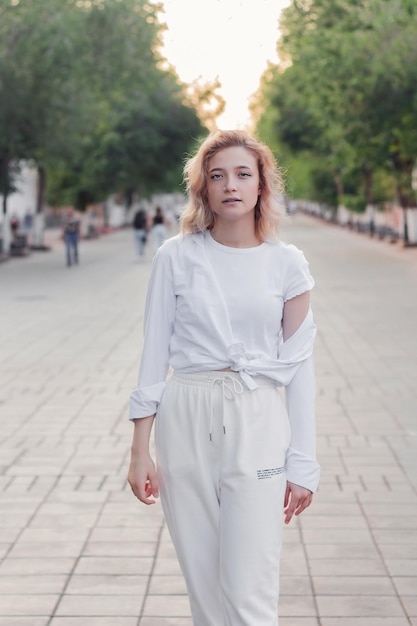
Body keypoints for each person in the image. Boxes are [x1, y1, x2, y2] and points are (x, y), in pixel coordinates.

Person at [128, 129, 320, 626]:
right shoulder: (175, 256)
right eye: (217, 176)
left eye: (242, 174)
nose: (230, 185)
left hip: (257, 415)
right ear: (204, 189)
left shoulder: (287, 265)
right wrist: (139, 451)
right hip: (185, 414)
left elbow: (299, 372)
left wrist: (304, 463)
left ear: (262, 186)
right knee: (205, 587)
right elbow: (153, 357)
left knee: (250, 586)